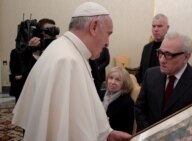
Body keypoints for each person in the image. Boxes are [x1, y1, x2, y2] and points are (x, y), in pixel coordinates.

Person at [12, 2, 131, 141]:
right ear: (93, 27)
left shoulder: (67, 50)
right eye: (108, 34)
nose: (107, 43)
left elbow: (80, 112)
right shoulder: (67, 61)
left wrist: (107, 133)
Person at [134, 32, 192, 131]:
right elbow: (139, 108)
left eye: (168, 55)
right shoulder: (150, 74)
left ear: (186, 57)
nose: (162, 60)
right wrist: (150, 133)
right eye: (160, 53)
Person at [9, 18, 58, 103]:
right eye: (47, 31)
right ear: (39, 34)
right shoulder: (20, 52)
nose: (51, 35)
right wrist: (35, 54)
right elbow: (22, 79)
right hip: (27, 98)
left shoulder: (56, 51)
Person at [99, 66, 134, 134]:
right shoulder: (101, 94)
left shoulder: (127, 102)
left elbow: (126, 131)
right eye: (111, 78)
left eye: (117, 80)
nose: (112, 82)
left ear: (124, 83)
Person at [136, 13, 170, 84]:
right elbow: (141, 71)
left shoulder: (172, 48)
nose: (156, 29)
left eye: (159, 26)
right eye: (153, 26)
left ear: (167, 28)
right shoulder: (146, 48)